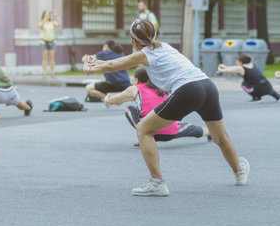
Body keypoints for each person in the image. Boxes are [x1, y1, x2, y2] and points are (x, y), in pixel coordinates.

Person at [83, 19, 249, 196]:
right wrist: (95, 62)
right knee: (220, 136)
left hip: (188, 90)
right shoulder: (165, 47)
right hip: (207, 85)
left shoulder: (144, 54)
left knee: (143, 129)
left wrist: (90, 67)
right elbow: (111, 63)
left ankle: (157, 183)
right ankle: (239, 172)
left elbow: (112, 65)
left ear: (133, 41)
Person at [104, 67, 211, 145]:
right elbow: (120, 101)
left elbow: (114, 100)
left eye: (133, 78)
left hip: (150, 131)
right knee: (189, 127)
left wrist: (107, 98)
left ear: (137, 80)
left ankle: (144, 137)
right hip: (170, 131)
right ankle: (210, 133)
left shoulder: (135, 89)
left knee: (129, 110)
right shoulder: (161, 88)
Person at [39, 9, 61, 78]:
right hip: (44, 42)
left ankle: (52, 73)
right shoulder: (41, 22)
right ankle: (44, 73)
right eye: (46, 14)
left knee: (52, 58)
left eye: (48, 15)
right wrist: (44, 20)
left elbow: (59, 23)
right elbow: (40, 26)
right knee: (44, 59)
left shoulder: (52, 23)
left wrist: (56, 16)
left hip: (52, 42)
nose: (47, 16)